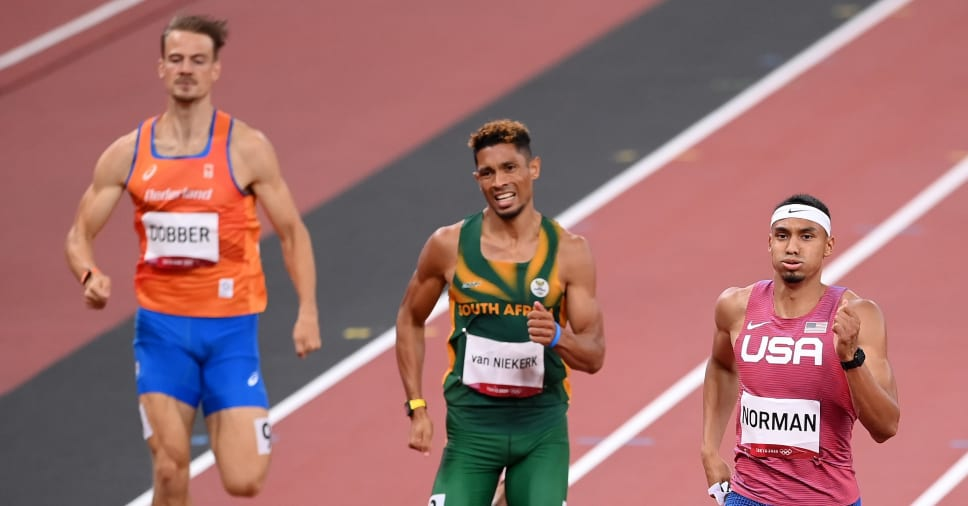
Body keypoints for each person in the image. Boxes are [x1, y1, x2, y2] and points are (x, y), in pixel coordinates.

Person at [64, 14, 321, 504]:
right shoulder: (128, 153)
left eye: (197, 61)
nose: (186, 69)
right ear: (161, 68)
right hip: (161, 333)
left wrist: (307, 310)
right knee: (169, 467)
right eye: (177, 59)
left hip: (230, 332)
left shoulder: (246, 148)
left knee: (245, 481)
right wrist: (87, 272)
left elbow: (292, 233)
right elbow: (79, 233)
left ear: (215, 70)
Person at [394, 119, 606, 506]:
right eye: (487, 173)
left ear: (533, 169)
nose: (498, 182)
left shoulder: (570, 252)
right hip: (471, 431)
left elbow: (594, 355)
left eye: (509, 168)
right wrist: (416, 406)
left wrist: (557, 337)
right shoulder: (449, 245)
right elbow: (410, 318)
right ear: (477, 178)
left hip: (541, 430)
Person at [700, 194, 900, 505]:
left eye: (807, 236)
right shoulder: (735, 306)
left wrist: (851, 359)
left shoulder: (857, 315)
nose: (792, 247)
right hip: (748, 495)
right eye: (783, 235)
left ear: (828, 246)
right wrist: (709, 449)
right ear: (769, 243)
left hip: (827, 499)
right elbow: (722, 366)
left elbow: (886, 426)